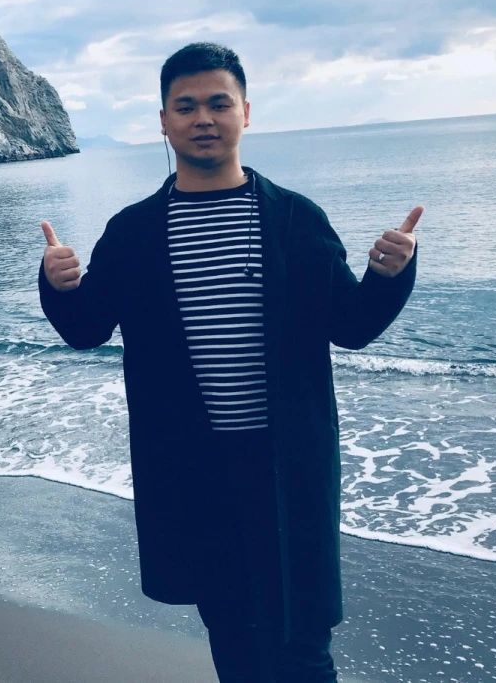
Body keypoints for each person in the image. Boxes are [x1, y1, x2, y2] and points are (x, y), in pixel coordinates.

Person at [38, 42, 422, 681]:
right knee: (232, 630)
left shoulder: (296, 219)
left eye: (218, 103)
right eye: (186, 106)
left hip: (287, 462)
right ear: (163, 122)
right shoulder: (133, 232)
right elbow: (85, 329)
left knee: (305, 636)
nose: (203, 119)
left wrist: (389, 276)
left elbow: (351, 326)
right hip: (193, 465)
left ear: (245, 112)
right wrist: (57, 285)